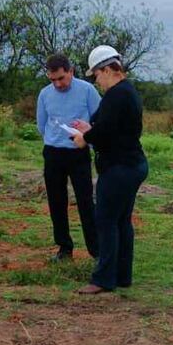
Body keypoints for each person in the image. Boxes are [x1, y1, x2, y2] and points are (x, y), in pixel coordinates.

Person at [69, 45, 148, 294]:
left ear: (108, 70)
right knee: (121, 221)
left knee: (105, 220)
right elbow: (106, 124)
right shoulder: (127, 91)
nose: (97, 81)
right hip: (131, 164)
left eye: (97, 75)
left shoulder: (117, 94)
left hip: (120, 167)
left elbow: (106, 132)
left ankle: (103, 278)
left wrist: (86, 138)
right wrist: (88, 127)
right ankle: (122, 275)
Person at [36, 53, 101, 262]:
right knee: (56, 201)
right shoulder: (45, 94)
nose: (57, 83)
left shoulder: (87, 90)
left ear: (71, 72)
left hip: (78, 151)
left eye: (61, 78)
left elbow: (99, 120)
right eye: (52, 79)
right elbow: (41, 124)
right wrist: (53, 140)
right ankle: (64, 248)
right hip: (53, 152)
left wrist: (88, 138)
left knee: (85, 201)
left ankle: (96, 250)